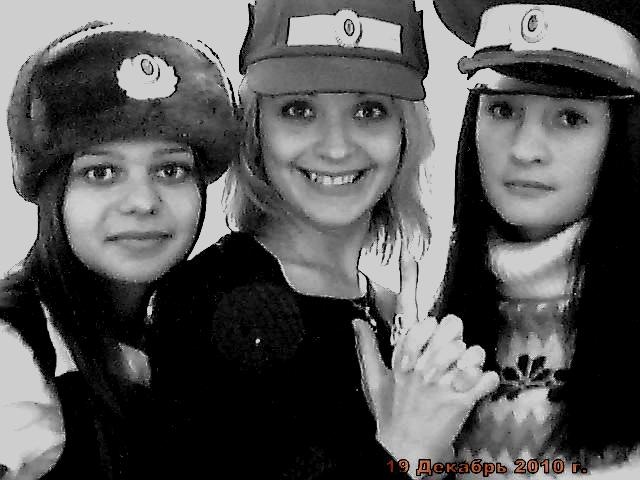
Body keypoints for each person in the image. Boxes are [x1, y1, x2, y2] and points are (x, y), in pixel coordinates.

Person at [151, 1, 499, 479]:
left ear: (406, 132)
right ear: (256, 129)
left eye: (369, 110)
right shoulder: (200, 302)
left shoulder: (398, 316)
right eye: (299, 110)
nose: (336, 147)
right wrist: (404, 450)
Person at [0, 21, 236, 479]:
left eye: (171, 170)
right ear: (52, 192)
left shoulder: (190, 333)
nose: (143, 202)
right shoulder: (14, 356)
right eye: (102, 173)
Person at [433, 0, 640, 476]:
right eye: (503, 109)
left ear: (622, 136)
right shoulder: (432, 340)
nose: (525, 150)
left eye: (569, 117)